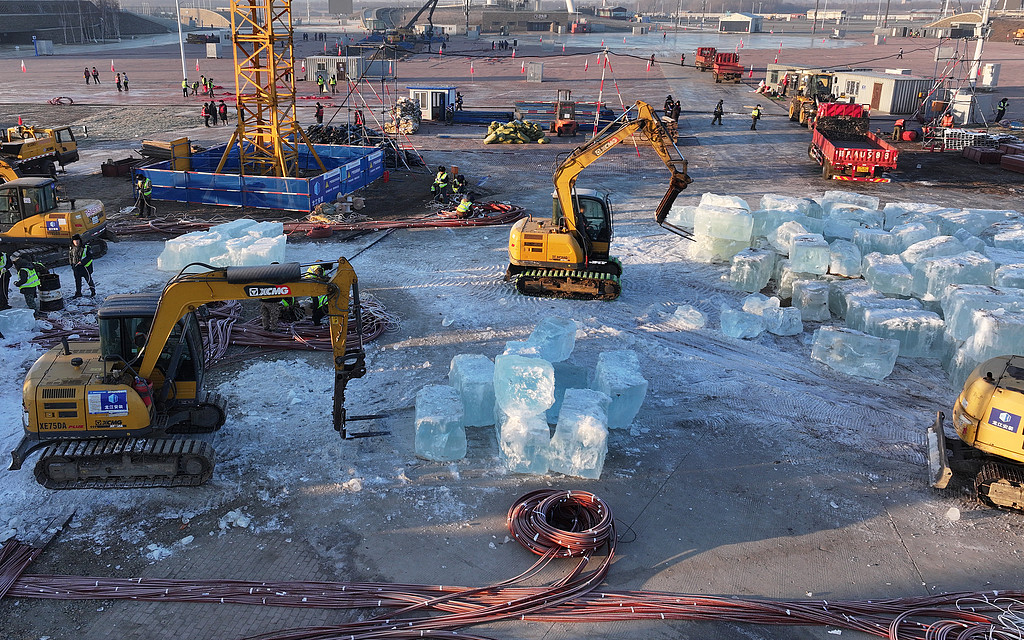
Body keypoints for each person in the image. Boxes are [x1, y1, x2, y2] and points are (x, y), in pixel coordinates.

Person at [68, 234, 96, 298]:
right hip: (76, 267)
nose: (76, 242)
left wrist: (82, 262)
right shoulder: (71, 248)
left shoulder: (86, 247)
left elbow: (90, 257)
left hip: (85, 267)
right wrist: (72, 264)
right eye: (75, 241)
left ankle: (93, 292)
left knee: (89, 280)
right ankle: (78, 293)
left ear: (80, 240)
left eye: (77, 240)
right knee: (77, 281)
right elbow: (70, 257)